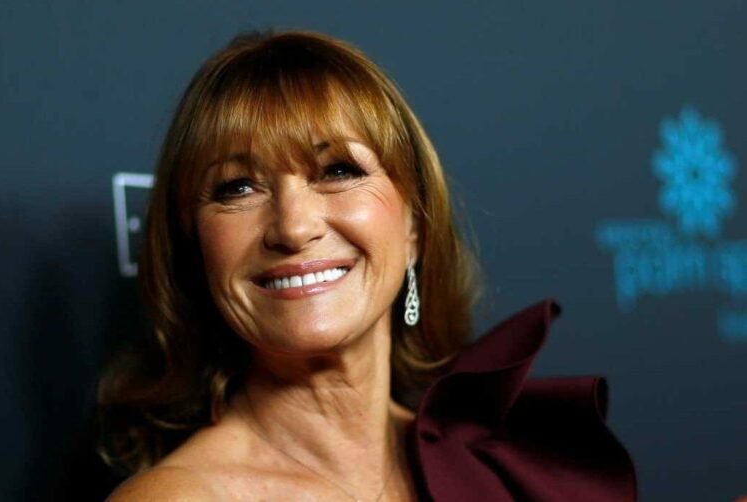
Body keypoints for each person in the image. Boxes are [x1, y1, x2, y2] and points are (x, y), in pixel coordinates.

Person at [100, 30, 636, 501]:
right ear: (194, 249)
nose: (293, 227)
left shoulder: (500, 468)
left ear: (414, 228)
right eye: (237, 187)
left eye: (337, 171)